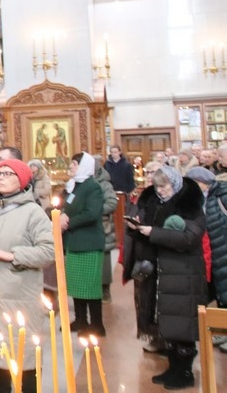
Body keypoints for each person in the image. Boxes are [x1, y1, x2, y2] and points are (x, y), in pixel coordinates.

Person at [124, 166, 207, 389]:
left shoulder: (190, 205)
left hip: (183, 274)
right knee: (167, 324)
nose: (160, 191)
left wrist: (154, 232)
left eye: (164, 186)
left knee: (182, 326)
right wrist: (137, 228)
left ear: (175, 184)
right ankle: (172, 368)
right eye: (157, 186)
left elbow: (190, 238)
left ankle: (185, 372)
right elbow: (151, 235)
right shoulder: (155, 203)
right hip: (161, 272)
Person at [0, 158, 54, 393]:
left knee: (24, 355)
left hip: (20, 295)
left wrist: (13, 255)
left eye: (7, 174)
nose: (0, 178)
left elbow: (49, 251)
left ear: (21, 180)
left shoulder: (33, 212)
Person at [60, 152, 105, 336]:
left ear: (84, 166)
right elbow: (68, 206)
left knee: (90, 287)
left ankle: (96, 325)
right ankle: (80, 320)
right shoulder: (75, 186)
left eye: (74, 164)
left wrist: (68, 221)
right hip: (74, 242)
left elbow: (92, 213)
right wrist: (61, 213)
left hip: (88, 242)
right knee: (77, 285)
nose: (71, 167)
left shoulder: (92, 187)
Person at [187, 167, 227, 352]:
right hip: (215, 249)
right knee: (221, 293)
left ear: (201, 183)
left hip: (223, 247)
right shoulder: (205, 197)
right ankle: (223, 330)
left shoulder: (221, 196)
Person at [93, 155, 119, 304]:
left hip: (103, 226)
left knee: (104, 259)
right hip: (89, 227)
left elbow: (112, 203)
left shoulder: (104, 184)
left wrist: (94, 211)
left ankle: (105, 290)